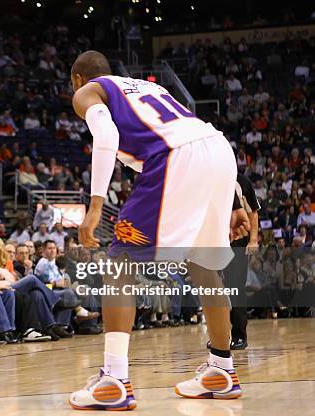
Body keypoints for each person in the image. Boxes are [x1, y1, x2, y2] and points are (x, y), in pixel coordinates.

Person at [68, 50, 250, 410]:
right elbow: (193, 136)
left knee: (119, 262)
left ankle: (114, 380)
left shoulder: (87, 91)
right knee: (203, 264)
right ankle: (221, 368)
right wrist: (233, 202)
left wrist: (95, 207)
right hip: (217, 148)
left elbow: (105, 136)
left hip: (174, 157)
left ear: (77, 79)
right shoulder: (152, 89)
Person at [223, 173, 261, 350]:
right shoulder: (208, 175)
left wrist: (253, 240)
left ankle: (239, 335)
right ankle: (220, 335)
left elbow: (253, 212)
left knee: (235, 287)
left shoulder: (242, 181)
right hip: (215, 239)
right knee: (215, 289)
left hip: (238, 239)